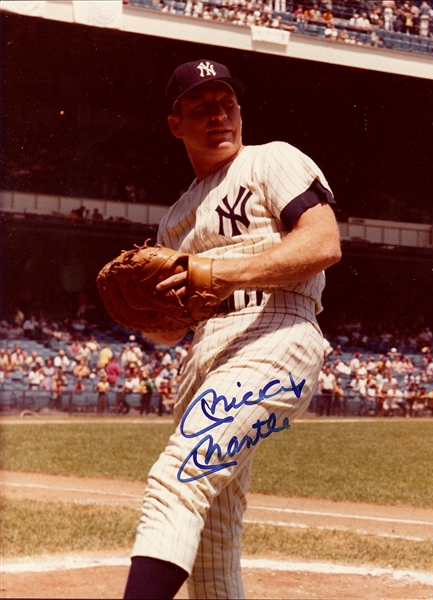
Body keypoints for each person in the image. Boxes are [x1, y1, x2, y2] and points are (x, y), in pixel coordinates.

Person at [123, 59, 341, 600]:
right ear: (177, 125)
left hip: (276, 332)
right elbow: (172, 331)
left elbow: (322, 245)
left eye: (227, 104)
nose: (218, 115)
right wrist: (152, 319)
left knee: (177, 479)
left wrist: (218, 272)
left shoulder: (273, 159)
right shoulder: (174, 219)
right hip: (205, 354)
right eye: (202, 107)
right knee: (214, 537)